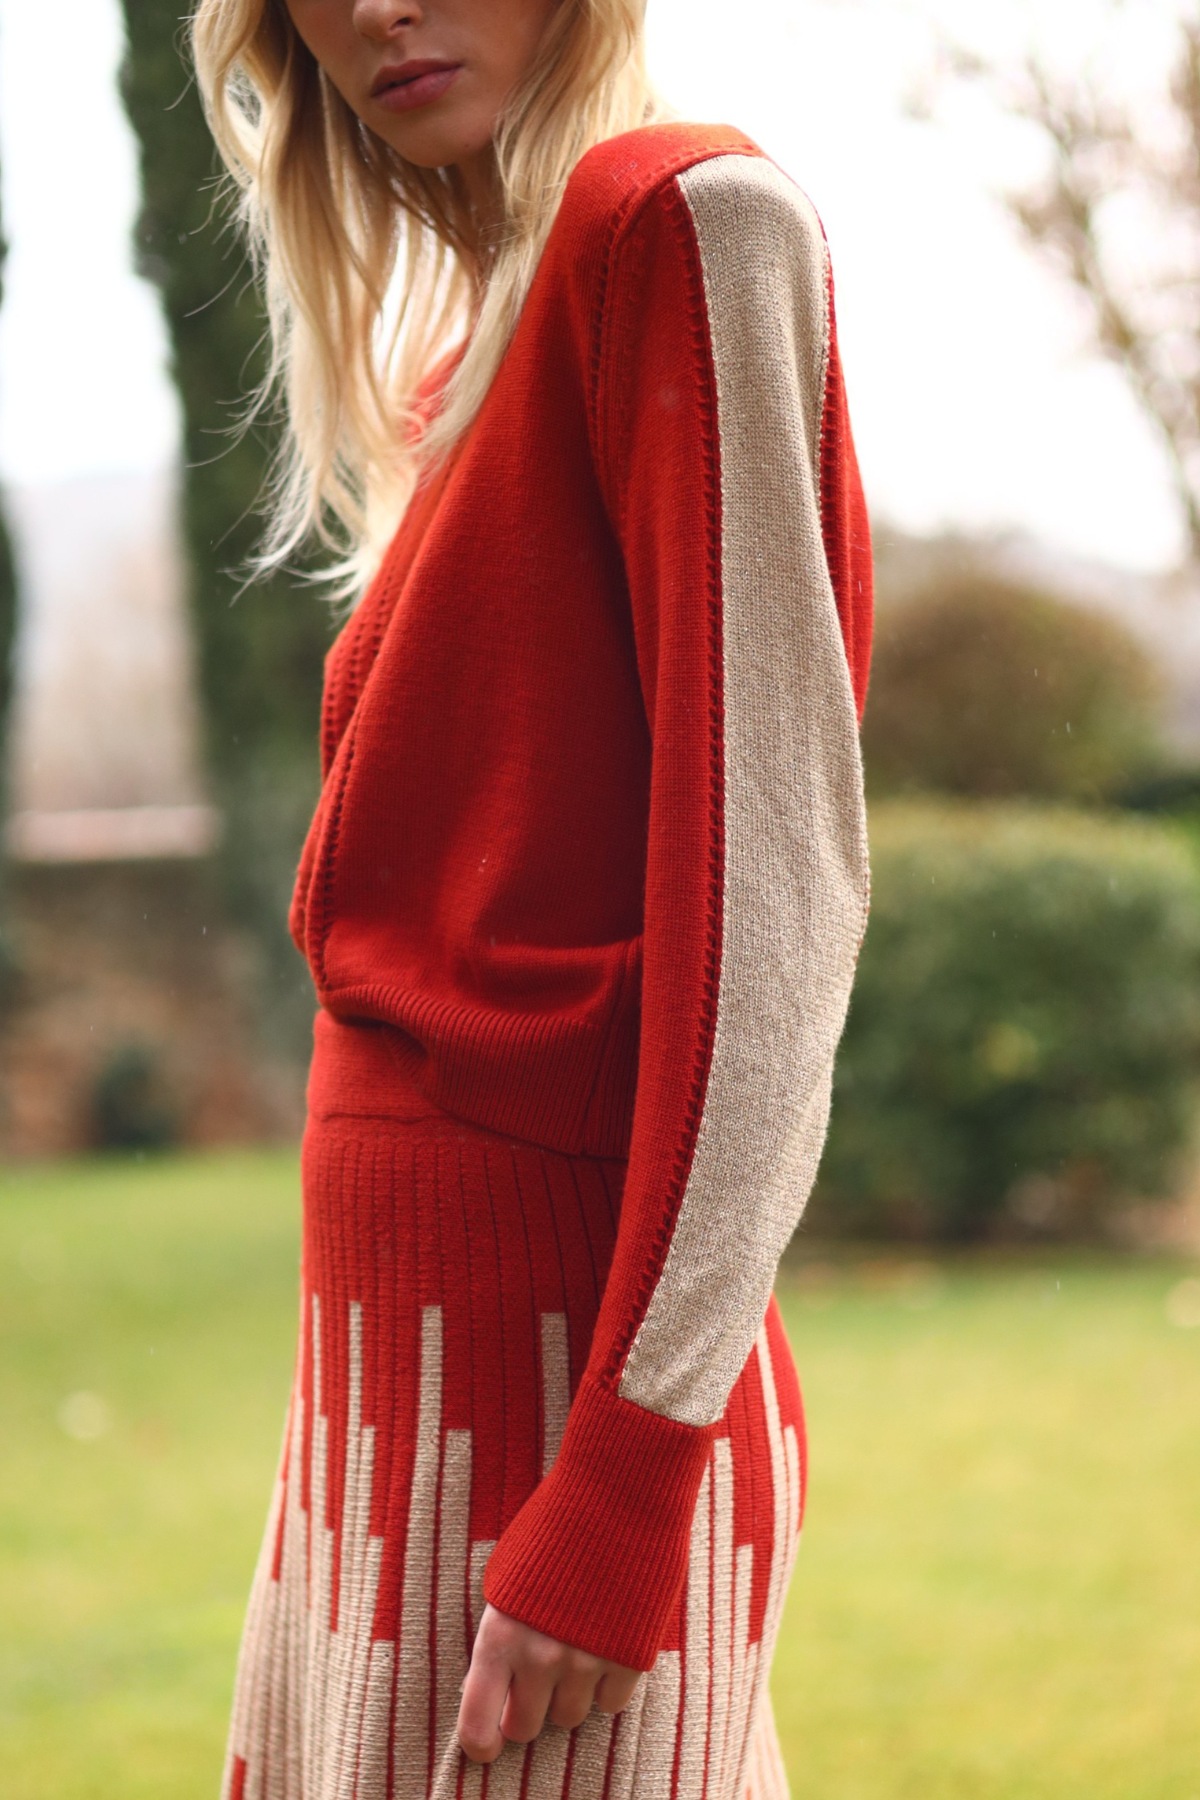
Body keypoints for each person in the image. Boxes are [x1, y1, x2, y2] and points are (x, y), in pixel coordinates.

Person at [192, 1, 873, 1795]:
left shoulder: (685, 220)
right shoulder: (477, 345)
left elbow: (775, 909)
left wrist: (625, 1485)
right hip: (392, 1399)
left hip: (553, 1409)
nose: (372, 10)